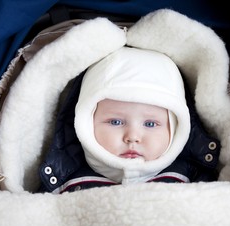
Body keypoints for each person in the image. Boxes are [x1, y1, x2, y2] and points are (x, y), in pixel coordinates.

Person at [39, 47, 220, 194]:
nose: (132, 137)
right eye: (116, 122)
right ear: (86, 123)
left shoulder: (192, 179)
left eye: (150, 124)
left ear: (176, 128)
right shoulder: (63, 179)